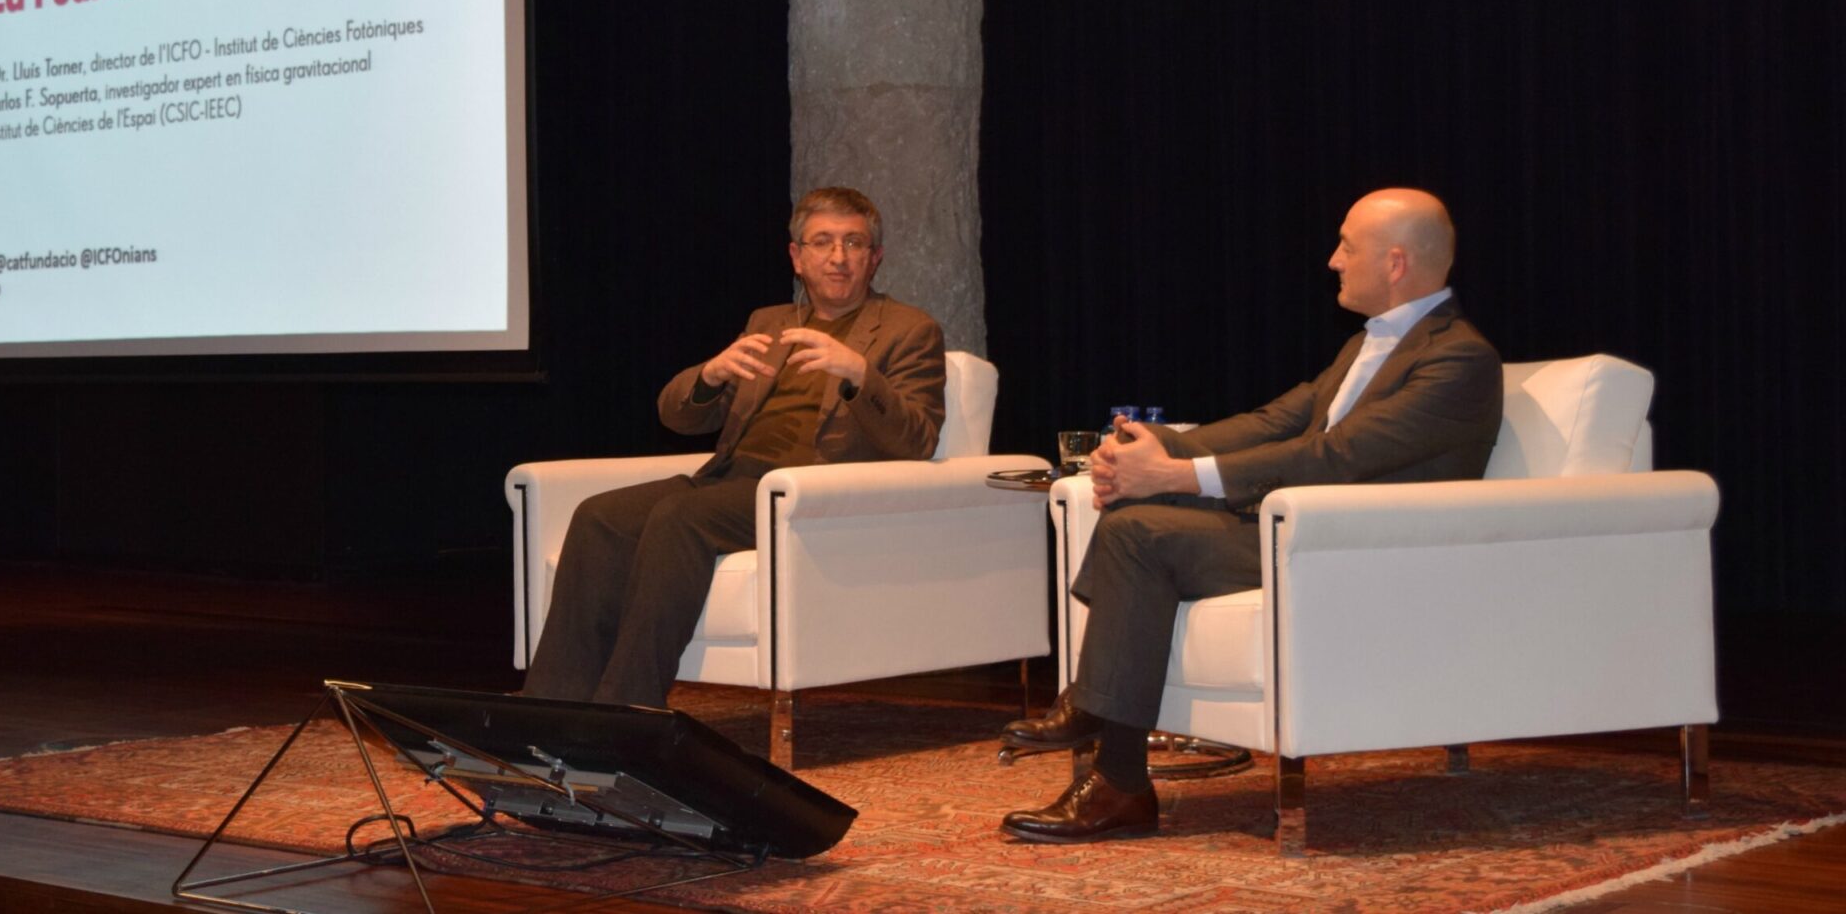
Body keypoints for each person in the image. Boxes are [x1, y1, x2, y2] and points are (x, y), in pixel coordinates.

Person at [999, 188, 1503, 844]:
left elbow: (1338, 457)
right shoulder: (1364, 349)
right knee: (1135, 516)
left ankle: (1102, 739)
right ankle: (1110, 763)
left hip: (1354, 548)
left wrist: (1178, 474)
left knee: (1139, 530)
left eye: (1348, 245)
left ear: (1397, 263)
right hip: (1296, 531)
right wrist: (1156, 448)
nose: (1332, 260)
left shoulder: (1457, 359)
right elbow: (1276, 420)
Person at [520, 186, 947, 709]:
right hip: (729, 479)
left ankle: (625, 711)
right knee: (599, 515)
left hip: (804, 492)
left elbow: (919, 440)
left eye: (854, 243)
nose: (838, 257)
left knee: (682, 515)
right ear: (796, 256)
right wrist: (710, 375)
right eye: (823, 242)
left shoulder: (910, 331)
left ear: (875, 257)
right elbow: (675, 415)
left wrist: (858, 373)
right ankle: (548, 709)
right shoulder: (769, 323)